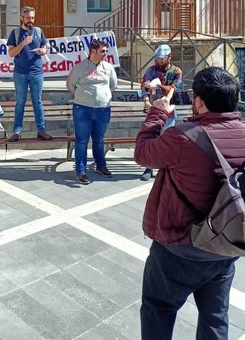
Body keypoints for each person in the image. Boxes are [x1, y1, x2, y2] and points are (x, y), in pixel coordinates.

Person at [134, 67, 245, 340]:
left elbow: (142, 153)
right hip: (224, 244)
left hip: (178, 248)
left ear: (199, 101)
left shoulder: (182, 136)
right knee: (215, 317)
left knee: (158, 309)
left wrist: (157, 113)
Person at [67, 39, 118, 184]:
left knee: (99, 140)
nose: (105, 54)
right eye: (103, 51)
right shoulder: (79, 68)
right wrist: (85, 98)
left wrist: (102, 97)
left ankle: (101, 166)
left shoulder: (108, 67)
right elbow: (71, 85)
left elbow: (113, 85)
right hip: (83, 109)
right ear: (93, 52)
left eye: (106, 51)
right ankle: (81, 171)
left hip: (103, 109)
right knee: (82, 140)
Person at [7, 6, 52, 142]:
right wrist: (23, 43)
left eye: (32, 17)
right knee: (20, 102)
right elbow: (11, 53)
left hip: (37, 72)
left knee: (37, 102)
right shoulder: (15, 33)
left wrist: (43, 51)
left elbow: (45, 47)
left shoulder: (38, 31)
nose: (30, 20)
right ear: (22, 18)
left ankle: (41, 130)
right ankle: (17, 131)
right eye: (28, 18)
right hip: (20, 72)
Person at [139, 44, 182, 181]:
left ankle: (166, 168)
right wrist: (146, 100)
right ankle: (149, 168)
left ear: (169, 57)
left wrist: (158, 86)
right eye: (157, 58)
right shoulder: (152, 70)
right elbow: (144, 85)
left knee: (168, 140)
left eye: (162, 58)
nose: (159, 61)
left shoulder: (176, 71)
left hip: (168, 111)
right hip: (153, 111)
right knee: (151, 138)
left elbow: (175, 88)